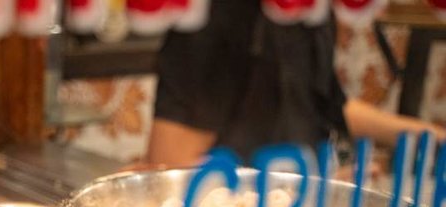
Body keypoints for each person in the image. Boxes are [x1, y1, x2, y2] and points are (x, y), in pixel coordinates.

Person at [146, 0, 446, 167]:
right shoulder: (217, 16)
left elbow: (327, 103)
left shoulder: (314, 12)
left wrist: (425, 136)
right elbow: (171, 163)